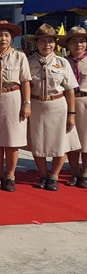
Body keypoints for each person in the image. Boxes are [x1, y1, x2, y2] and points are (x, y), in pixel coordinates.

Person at [0, 20, 32, 192]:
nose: (3, 39)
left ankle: (10, 175)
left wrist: (27, 103)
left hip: (13, 98)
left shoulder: (19, 56)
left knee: (12, 140)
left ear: (12, 38)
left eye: (7, 35)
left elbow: (25, 82)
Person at [27, 23, 80, 191]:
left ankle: (54, 176)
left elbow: (70, 90)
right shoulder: (28, 62)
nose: (46, 45)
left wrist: (72, 113)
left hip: (58, 105)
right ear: (36, 43)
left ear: (55, 43)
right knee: (38, 143)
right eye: (42, 41)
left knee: (60, 142)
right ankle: (43, 174)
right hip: (36, 105)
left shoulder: (62, 63)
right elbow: (25, 86)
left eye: (50, 41)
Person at [62, 26, 87, 188]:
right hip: (67, 103)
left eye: (82, 41)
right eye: (74, 42)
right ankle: (74, 171)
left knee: (86, 140)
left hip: (85, 101)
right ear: (68, 45)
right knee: (71, 139)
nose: (78, 45)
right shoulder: (63, 63)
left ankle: (85, 172)